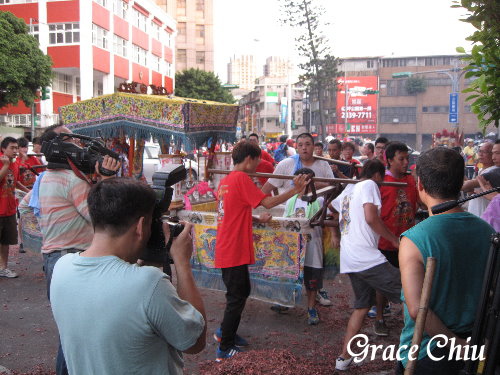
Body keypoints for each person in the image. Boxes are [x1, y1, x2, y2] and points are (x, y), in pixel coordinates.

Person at [50, 178, 206, 374]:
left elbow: (114, 284)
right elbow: (194, 342)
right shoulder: (149, 285)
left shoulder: (62, 267)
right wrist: (183, 263)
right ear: (141, 227)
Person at [19, 124, 120, 375]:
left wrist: (40, 235)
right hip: (71, 258)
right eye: (70, 140)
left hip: (55, 258)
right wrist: (106, 181)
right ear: (60, 148)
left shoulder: (48, 177)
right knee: (77, 332)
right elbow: (101, 219)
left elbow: (25, 206)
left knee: (71, 330)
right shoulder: (72, 181)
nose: (78, 145)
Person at [397, 147, 494, 374]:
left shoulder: (414, 239)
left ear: (420, 184)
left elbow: (417, 309)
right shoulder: (487, 231)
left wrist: (457, 345)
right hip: (476, 345)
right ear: (461, 182)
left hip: (425, 352)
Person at [214, 140, 310, 361]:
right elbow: (268, 202)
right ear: (249, 159)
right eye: (258, 160)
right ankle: (224, 346)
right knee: (237, 297)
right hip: (233, 248)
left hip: (228, 246)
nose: (259, 164)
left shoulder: (227, 181)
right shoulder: (241, 179)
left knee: (239, 293)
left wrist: (256, 218)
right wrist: (295, 190)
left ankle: (225, 333)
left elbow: (233, 211)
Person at [332, 160, 401, 371]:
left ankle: (343, 359)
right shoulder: (370, 185)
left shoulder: (349, 189)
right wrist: (393, 239)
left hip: (350, 257)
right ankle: (416, 352)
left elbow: (333, 210)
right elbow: (371, 218)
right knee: (410, 294)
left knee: (361, 306)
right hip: (366, 258)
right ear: (378, 176)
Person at [369, 142, 418, 330]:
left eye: (407, 158)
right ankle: (379, 318)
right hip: (385, 241)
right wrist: (389, 237)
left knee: (410, 280)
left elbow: (420, 203)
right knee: (383, 284)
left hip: (408, 239)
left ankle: (409, 321)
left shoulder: (411, 181)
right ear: (389, 160)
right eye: (401, 159)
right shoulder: (379, 184)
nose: (406, 163)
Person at [283, 167, 326, 325]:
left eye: (307, 181)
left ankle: (311, 307)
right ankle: (285, 302)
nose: (303, 184)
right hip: (294, 247)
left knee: (312, 280)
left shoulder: (320, 200)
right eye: (299, 180)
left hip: (313, 247)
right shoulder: (291, 201)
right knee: (290, 276)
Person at [0, 137, 21, 278]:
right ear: (3, 149)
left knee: (6, 241)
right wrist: (5, 166)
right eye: (12, 148)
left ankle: (3, 267)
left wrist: (29, 192)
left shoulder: (15, 163)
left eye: (16, 148)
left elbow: (16, 182)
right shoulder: (4, 163)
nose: (15, 151)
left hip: (10, 208)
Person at [462, 141, 495, 217]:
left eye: (485, 152)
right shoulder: (481, 170)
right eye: (480, 151)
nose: (480, 154)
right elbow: (470, 191)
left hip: (485, 215)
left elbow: (464, 186)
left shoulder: (492, 171)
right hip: (476, 212)